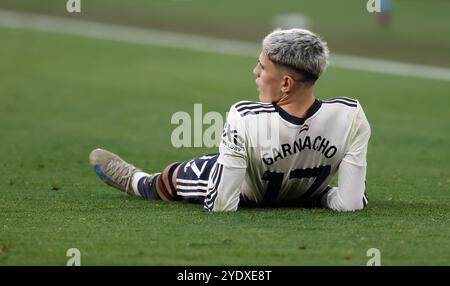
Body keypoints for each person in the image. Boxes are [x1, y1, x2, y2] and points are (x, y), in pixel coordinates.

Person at [89, 28, 371, 212]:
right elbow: (351, 203)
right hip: (306, 187)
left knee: (185, 173)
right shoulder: (351, 114)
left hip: (248, 192)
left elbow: (222, 204)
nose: (254, 72)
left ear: (285, 84)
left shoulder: (245, 116)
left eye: (262, 67)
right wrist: (317, 196)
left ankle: (139, 182)